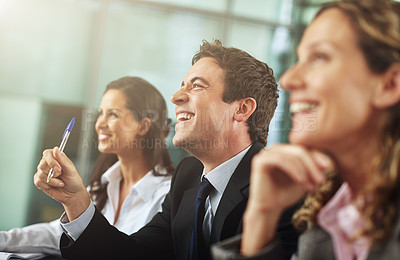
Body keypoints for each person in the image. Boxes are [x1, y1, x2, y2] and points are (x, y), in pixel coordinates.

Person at [33, 40, 299, 260]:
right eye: (183, 84)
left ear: (241, 109)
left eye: (196, 85)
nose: (175, 96)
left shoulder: (280, 188)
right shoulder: (187, 176)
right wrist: (75, 199)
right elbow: (131, 255)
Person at [211, 0, 400, 259]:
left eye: (319, 56)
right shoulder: (326, 219)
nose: (288, 79)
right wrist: (261, 217)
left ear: (389, 85)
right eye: (300, 58)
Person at [0, 76, 174, 257]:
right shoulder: (105, 184)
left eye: (112, 114)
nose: (99, 124)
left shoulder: (167, 196)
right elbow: (59, 233)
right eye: (100, 113)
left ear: (143, 126)